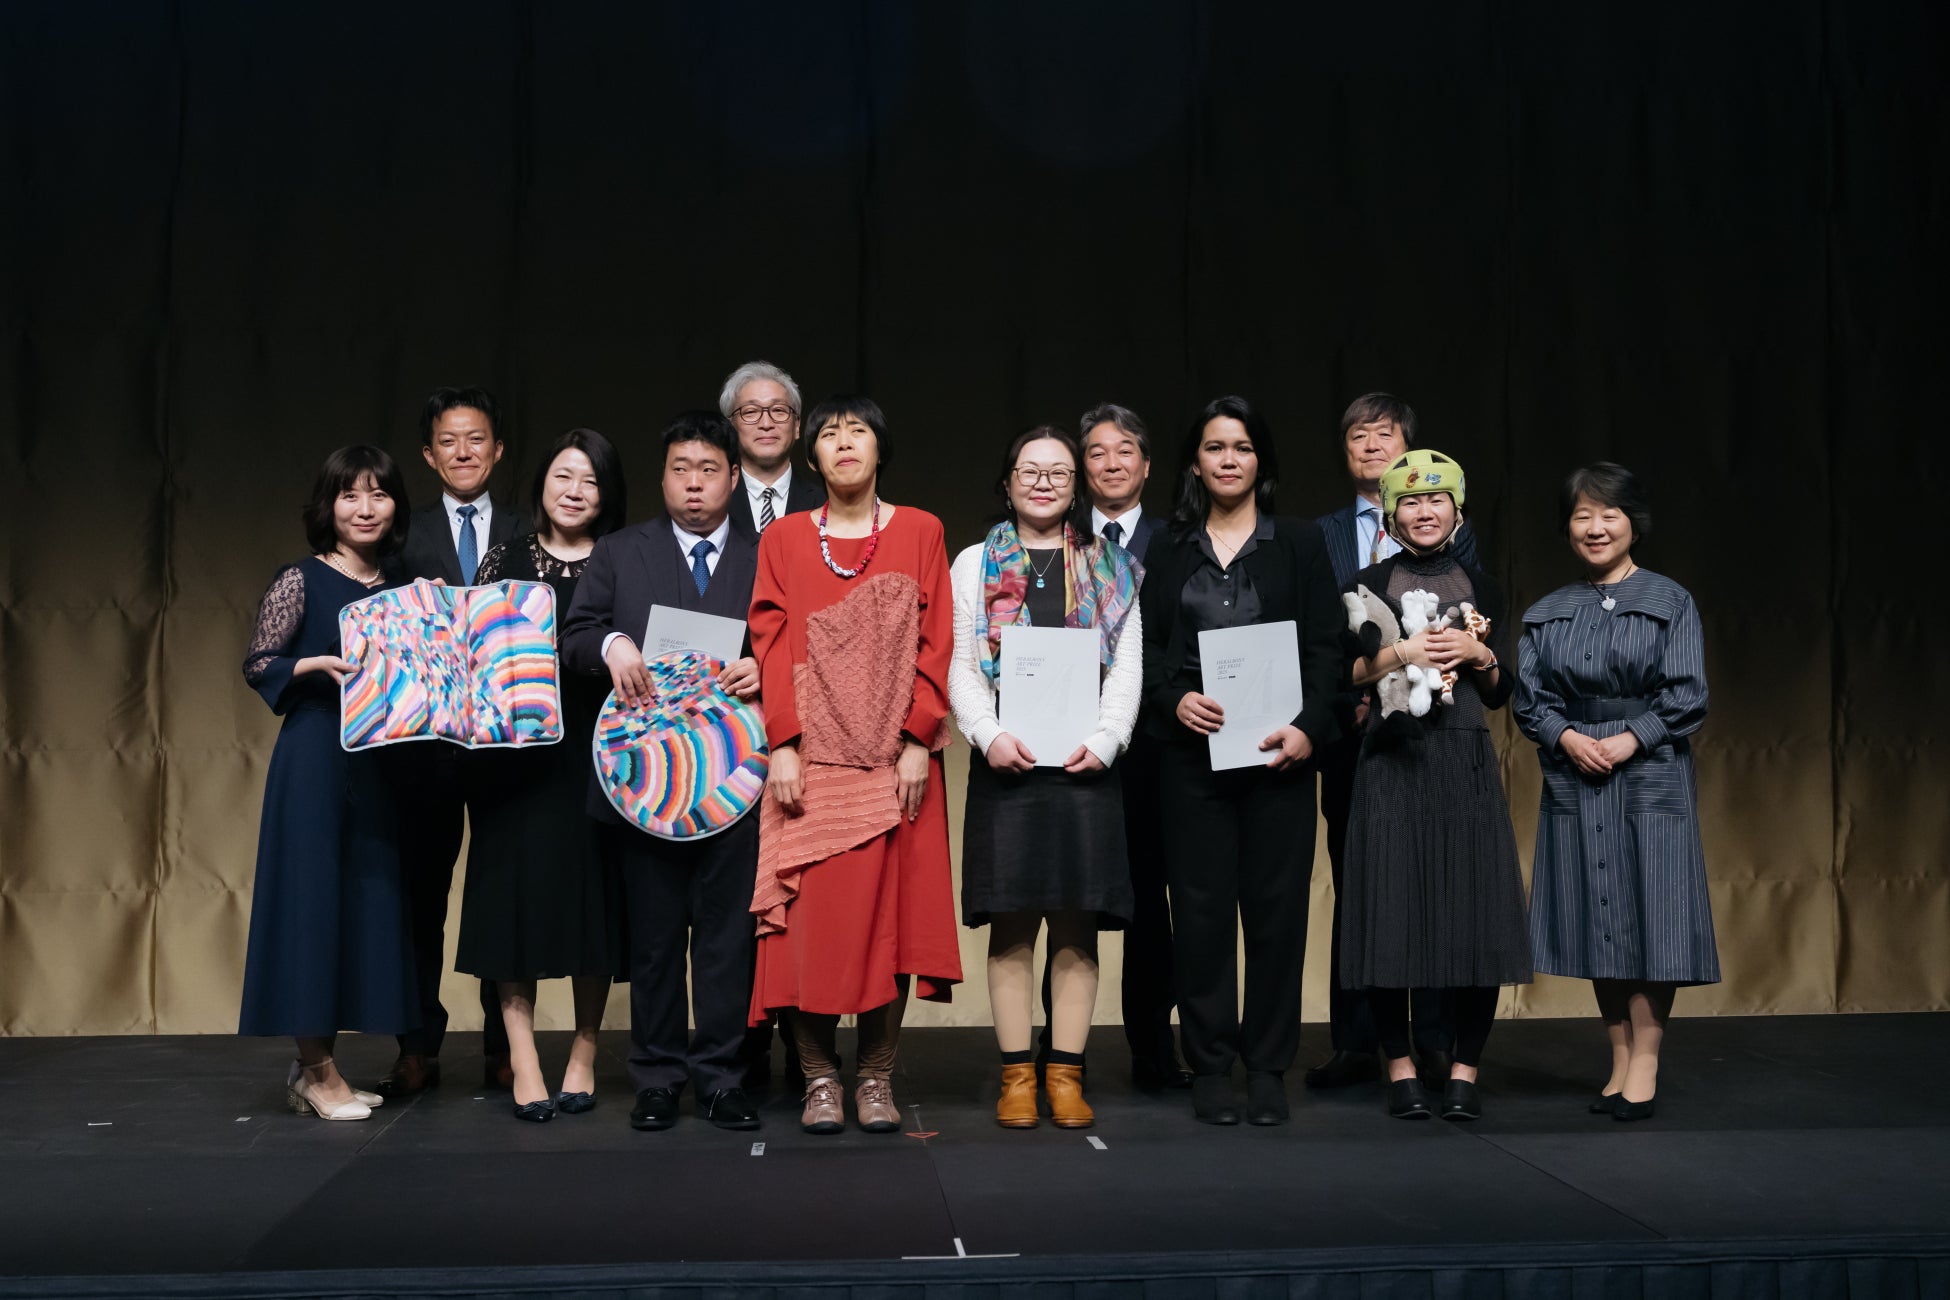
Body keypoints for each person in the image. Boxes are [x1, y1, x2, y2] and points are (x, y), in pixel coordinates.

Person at [747, 395, 962, 1135]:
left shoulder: (921, 530)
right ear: (811, 455)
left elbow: (937, 638)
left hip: (894, 760)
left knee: (889, 926)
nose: (844, 443)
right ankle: (818, 1079)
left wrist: (918, 738)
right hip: (810, 760)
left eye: (859, 431)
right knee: (807, 927)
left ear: (880, 448)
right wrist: (782, 743)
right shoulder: (782, 538)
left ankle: (875, 1076)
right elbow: (770, 643)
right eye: (830, 434)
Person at [558, 413, 768, 1133]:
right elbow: (576, 634)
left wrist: (765, 667)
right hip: (643, 781)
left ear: (734, 477)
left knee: (725, 939)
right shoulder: (620, 552)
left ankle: (721, 1076)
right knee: (652, 939)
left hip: (734, 780)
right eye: (680, 469)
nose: (693, 484)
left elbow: (794, 642)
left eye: (708, 470)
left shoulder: (767, 554)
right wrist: (612, 645)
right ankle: (655, 1077)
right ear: (663, 477)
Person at [1139, 396, 1344, 1126]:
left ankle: (1266, 1067)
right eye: (1215, 447)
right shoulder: (1168, 546)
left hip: (1279, 758)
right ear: (1195, 462)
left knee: (1277, 915)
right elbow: (1145, 648)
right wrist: (1173, 701)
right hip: (1190, 759)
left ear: (1262, 461)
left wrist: (1309, 729)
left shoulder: (1300, 543)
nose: (1229, 460)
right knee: (1198, 916)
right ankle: (1209, 1065)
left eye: (1243, 447)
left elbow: (1327, 647)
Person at [949, 425, 1144, 1129]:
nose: (1043, 482)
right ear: (1007, 483)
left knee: (1076, 925)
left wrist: (1108, 739)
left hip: (1086, 768)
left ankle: (1064, 1073)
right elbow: (960, 667)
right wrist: (988, 734)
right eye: (1029, 470)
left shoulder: (1111, 563)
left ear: (1076, 485)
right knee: (1010, 924)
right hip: (1007, 766)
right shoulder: (974, 562)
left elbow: (1127, 667)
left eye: (1058, 471)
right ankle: (1015, 1076)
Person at [1514, 462, 1715, 1123]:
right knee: (1596, 913)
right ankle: (1619, 1059)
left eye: (1609, 514)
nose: (1595, 527)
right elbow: (1530, 700)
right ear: (1568, 527)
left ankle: (1646, 1062)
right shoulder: (1547, 612)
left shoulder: (1669, 600)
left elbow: (1687, 694)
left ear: (1633, 522)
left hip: (1648, 769)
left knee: (1653, 911)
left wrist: (1633, 738)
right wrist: (1566, 738)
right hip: (1575, 770)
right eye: (1582, 515)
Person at [1339, 449, 1530, 1122]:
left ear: (1458, 511)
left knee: (1476, 912)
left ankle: (1464, 1071)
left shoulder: (1482, 584)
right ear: (1390, 517)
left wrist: (1480, 653)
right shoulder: (1366, 582)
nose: (1425, 511)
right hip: (1391, 758)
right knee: (1390, 910)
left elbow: (1501, 692)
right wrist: (1402, 653)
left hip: (1464, 756)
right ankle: (1399, 1068)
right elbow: (1344, 675)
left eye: (1437, 499)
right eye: (1411, 502)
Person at [239, 446, 419, 1121]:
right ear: (329, 506)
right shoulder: (302, 578)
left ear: (396, 505)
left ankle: (315, 1066)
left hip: (379, 762)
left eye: (378, 494)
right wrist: (309, 664)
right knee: (309, 904)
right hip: (315, 755)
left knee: (359, 907)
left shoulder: (404, 587)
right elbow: (258, 663)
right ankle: (317, 1071)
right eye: (350, 495)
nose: (365, 508)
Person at [456, 429, 630, 1122]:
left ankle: (584, 1051)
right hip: (513, 758)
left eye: (590, 480)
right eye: (563, 476)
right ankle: (523, 1059)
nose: (575, 491)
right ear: (541, 484)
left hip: (597, 752)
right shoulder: (504, 558)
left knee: (593, 900)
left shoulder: (622, 560)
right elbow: (470, 651)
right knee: (512, 904)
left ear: (607, 494)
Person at [1308, 394, 1480, 1091]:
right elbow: (1318, 635)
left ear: (1409, 448)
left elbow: (1469, 617)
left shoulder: (1455, 531)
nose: (1372, 444)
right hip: (1350, 734)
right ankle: (1356, 1042)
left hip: (1432, 734)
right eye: (1359, 434)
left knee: (1433, 880)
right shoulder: (1318, 534)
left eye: (1386, 434)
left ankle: (1432, 1039)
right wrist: (1349, 702)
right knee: (1360, 882)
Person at [378, 386, 519, 1098]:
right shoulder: (401, 534)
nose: (464, 452)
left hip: (507, 753)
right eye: (449, 442)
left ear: (498, 449)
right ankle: (417, 1045)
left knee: (499, 900)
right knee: (420, 902)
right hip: (424, 751)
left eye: (476, 439)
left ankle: (504, 1048)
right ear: (430, 456)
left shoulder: (528, 530)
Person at [1078, 403, 1191, 1090]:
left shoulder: (1179, 540)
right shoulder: (1054, 537)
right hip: (1071, 743)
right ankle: (1061, 1048)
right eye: (1097, 451)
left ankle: (1154, 1047)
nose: (1112, 463)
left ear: (1147, 466)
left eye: (1125, 450)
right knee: (1069, 902)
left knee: (1154, 903)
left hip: (1160, 746)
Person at [720, 360, 826, 537]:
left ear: (797, 426)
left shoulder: (826, 503)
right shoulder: (712, 503)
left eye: (778, 410)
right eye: (750, 412)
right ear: (731, 427)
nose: (766, 423)